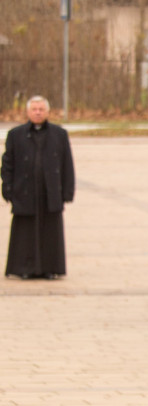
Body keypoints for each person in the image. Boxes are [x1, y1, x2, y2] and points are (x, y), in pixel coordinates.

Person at [3, 95, 74, 279]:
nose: (37, 112)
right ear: (27, 112)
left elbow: (67, 164)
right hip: (24, 192)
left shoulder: (59, 134)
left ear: (48, 112)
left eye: (41, 109)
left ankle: (50, 268)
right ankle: (24, 268)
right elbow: (7, 165)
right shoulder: (15, 135)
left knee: (50, 232)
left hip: (50, 193)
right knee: (25, 234)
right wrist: (7, 189)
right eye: (34, 109)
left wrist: (67, 191)